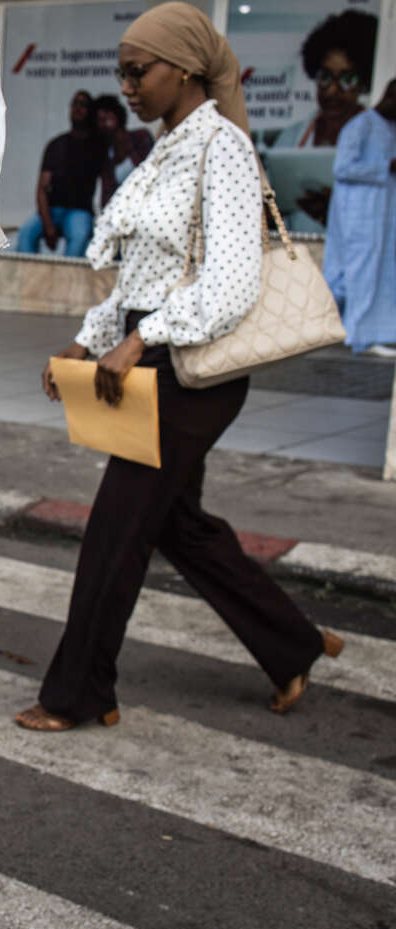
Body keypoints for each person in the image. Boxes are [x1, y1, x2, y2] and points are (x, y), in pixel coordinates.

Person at [20, 2, 345, 733]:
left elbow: (230, 283)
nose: (127, 86)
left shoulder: (221, 147)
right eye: (122, 73)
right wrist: (89, 338)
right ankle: (292, 643)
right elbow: (142, 278)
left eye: (140, 72)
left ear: (187, 70)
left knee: (115, 529)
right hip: (151, 356)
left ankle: (79, 694)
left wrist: (143, 341)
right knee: (177, 525)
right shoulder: (164, 148)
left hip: (190, 370)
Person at [273, 10, 378, 231]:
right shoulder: (292, 138)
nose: (332, 91)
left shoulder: (379, 140)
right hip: (296, 259)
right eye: (325, 77)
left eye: (347, 79)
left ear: (364, 83)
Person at [322, 80, 396, 356]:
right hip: (357, 215)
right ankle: (358, 334)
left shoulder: (391, 128)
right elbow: (342, 168)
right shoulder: (360, 125)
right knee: (354, 273)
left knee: (380, 273)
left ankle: (372, 332)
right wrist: (385, 166)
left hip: (383, 216)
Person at [16, 90, 105, 257]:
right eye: (75, 103)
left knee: (79, 236)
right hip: (53, 210)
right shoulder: (57, 144)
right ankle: (29, 282)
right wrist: (48, 225)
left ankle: (67, 282)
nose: (78, 108)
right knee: (26, 233)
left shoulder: (98, 146)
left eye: (84, 105)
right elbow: (41, 189)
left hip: (80, 211)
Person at [93, 94, 153, 211]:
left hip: (146, 206)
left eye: (107, 113)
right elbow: (106, 198)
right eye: (99, 118)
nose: (104, 120)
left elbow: (153, 173)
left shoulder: (141, 137)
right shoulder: (106, 156)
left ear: (117, 113)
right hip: (122, 213)